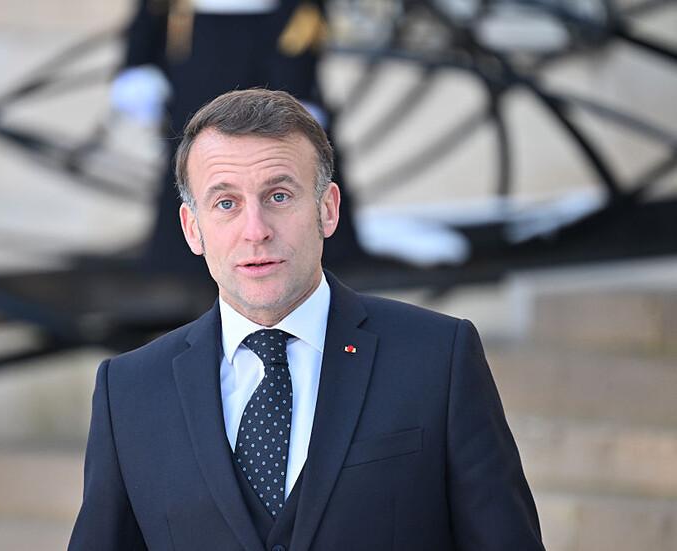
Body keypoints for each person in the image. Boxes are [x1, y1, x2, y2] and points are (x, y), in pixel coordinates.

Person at [69, 89, 544, 550]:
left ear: (328, 210)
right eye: (226, 203)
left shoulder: (438, 358)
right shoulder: (128, 391)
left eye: (278, 196)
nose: (255, 231)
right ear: (193, 229)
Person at [109, 0, 359, 274]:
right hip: (197, 48)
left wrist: (298, 79)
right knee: (193, 148)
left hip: (271, 45)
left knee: (282, 154)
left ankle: (318, 255)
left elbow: (303, 13)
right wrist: (139, 58)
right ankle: (182, 259)